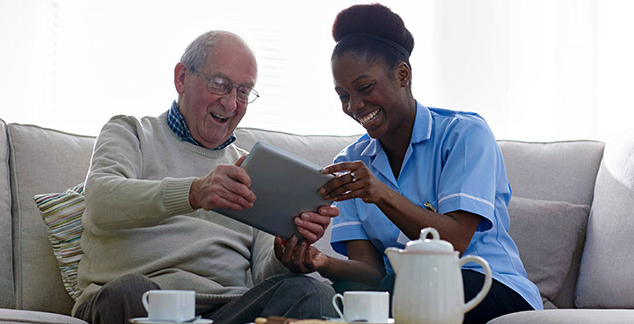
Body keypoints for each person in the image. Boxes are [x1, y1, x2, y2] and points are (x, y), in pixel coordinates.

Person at [276, 4, 543, 324]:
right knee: (338, 294)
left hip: (487, 285)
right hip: (404, 292)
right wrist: (320, 263)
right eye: (343, 95)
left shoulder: (464, 135)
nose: (354, 106)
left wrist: (381, 193)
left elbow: (454, 242)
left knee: (408, 291)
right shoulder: (350, 162)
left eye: (364, 88)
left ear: (403, 74)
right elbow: (371, 272)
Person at [73, 30, 339, 324]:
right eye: (220, 84)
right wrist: (195, 193)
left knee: (311, 292)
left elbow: (264, 272)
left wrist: (285, 253)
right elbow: (100, 202)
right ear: (181, 78)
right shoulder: (130, 132)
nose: (230, 103)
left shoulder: (252, 167)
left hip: (227, 310)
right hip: (142, 301)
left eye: (243, 92)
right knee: (130, 292)